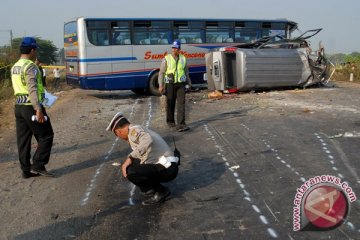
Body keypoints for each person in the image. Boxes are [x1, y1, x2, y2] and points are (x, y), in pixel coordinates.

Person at [106, 112, 179, 205]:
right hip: (169, 166)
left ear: (118, 132)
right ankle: (150, 188)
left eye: (117, 135)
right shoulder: (136, 128)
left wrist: (130, 157)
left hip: (168, 169)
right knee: (134, 163)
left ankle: (161, 191)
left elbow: (147, 140)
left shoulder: (133, 132)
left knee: (130, 170)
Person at [11, 37, 54, 178]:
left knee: (23, 140)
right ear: (32, 50)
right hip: (31, 106)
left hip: (19, 107)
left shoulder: (15, 66)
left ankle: (26, 170)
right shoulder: (30, 66)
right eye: (35, 50)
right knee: (46, 135)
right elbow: (32, 88)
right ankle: (38, 164)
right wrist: (38, 109)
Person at [158, 39, 191, 132]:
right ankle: (170, 122)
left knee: (181, 104)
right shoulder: (166, 58)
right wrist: (161, 85)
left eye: (176, 48)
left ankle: (181, 124)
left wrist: (189, 83)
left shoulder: (183, 58)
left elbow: (186, 72)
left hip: (181, 84)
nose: (174, 50)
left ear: (179, 49)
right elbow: (161, 73)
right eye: (173, 48)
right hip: (170, 84)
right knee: (170, 103)